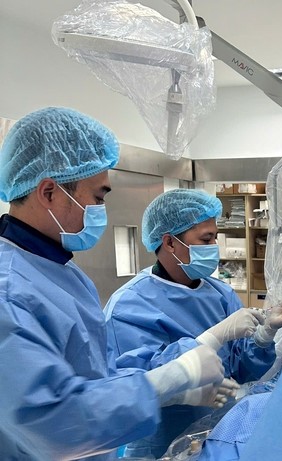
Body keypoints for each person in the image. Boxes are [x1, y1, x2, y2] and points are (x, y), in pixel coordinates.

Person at [0, 107, 229, 461]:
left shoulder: (63, 274)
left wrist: (171, 392)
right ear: (48, 192)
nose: (100, 209)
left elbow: (96, 374)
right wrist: (166, 380)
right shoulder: (9, 292)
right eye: (98, 197)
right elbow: (55, 426)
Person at [103, 188, 282, 458]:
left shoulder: (220, 295)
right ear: (170, 242)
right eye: (206, 239)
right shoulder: (129, 305)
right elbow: (134, 386)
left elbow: (241, 371)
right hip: (159, 446)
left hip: (219, 437)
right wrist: (213, 337)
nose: (214, 247)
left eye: (215, 238)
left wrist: (264, 335)